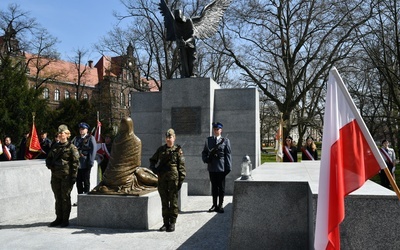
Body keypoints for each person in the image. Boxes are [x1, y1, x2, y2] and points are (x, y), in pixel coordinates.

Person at [91, 117, 158, 195]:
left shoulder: (116, 140)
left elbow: (112, 159)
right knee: (139, 172)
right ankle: (158, 181)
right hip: (124, 178)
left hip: (109, 177)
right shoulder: (137, 141)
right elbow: (137, 163)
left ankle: (158, 181)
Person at [149, 128, 186, 232]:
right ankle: (165, 223)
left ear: (174, 138)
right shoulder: (161, 150)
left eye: (170, 137)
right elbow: (152, 160)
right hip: (162, 180)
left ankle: (172, 223)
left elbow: (182, 168)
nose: (168, 139)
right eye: (167, 137)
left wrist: (180, 181)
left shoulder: (178, 151)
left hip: (173, 180)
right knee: (164, 202)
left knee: (173, 202)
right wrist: (154, 169)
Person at [45, 124, 80, 227]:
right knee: (58, 197)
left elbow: (75, 163)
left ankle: (65, 219)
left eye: (62, 133)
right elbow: (49, 158)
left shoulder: (72, 148)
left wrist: (73, 177)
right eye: (59, 133)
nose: (60, 135)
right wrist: (49, 164)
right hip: (55, 176)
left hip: (66, 177)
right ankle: (58, 218)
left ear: (67, 134)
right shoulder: (55, 146)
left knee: (65, 198)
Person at [201, 122, 232, 213]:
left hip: (221, 167)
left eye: (217, 129)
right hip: (212, 166)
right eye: (214, 129)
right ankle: (214, 205)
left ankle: (220, 205)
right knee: (214, 187)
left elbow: (228, 155)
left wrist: (228, 167)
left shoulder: (225, 141)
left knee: (221, 187)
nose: (216, 131)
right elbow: (204, 152)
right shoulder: (209, 140)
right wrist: (206, 159)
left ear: (221, 130)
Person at [72, 122, 96, 198]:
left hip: (86, 163)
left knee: (86, 181)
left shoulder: (90, 138)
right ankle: (80, 197)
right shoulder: (76, 138)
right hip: (77, 164)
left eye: (83, 129)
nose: (81, 130)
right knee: (78, 182)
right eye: (80, 129)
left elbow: (93, 150)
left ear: (87, 130)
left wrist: (91, 162)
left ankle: (86, 197)